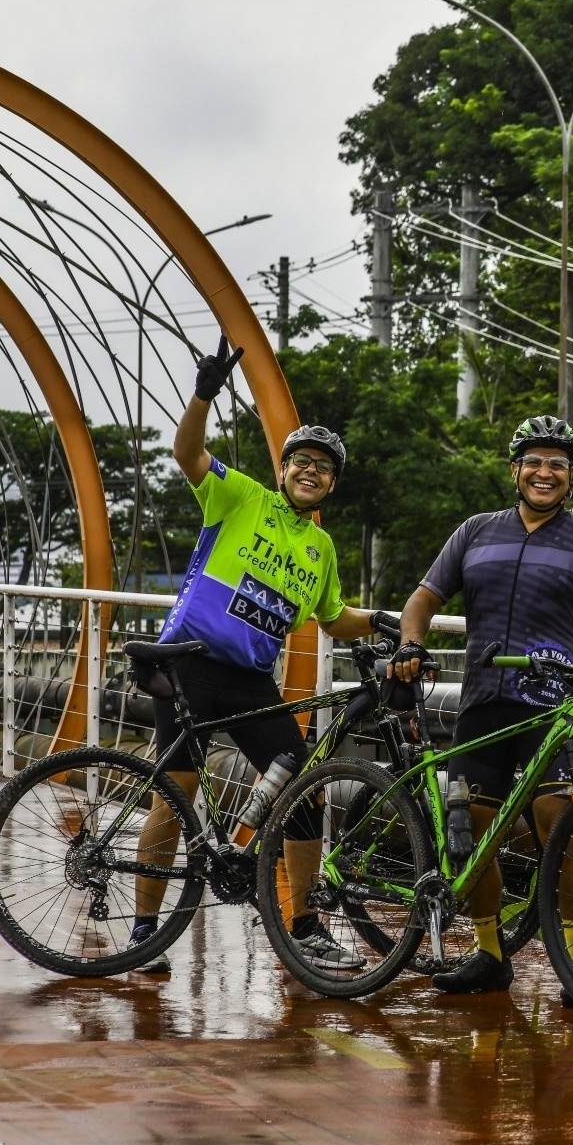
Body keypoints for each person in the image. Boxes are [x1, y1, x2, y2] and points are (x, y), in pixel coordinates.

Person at [392, 414, 573, 995]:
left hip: (552, 706)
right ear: (515, 470)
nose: (546, 473)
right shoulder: (475, 532)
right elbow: (423, 597)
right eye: (535, 463)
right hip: (485, 703)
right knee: (474, 830)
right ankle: (490, 954)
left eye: (557, 466)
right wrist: (410, 644)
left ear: (570, 477)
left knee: (562, 827)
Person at [131, 336, 379, 973]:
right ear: (283, 467)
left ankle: (302, 924)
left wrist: (385, 621)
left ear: (331, 484)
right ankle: (144, 929)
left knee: (299, 789)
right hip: (186, 665)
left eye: (323, 467)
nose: (310, 470)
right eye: (301, 460)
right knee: (175, 795)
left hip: (249, 679)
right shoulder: (239, 495)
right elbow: (186, 453)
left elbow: (333, 617)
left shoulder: (320, 549)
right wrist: (204, 394)